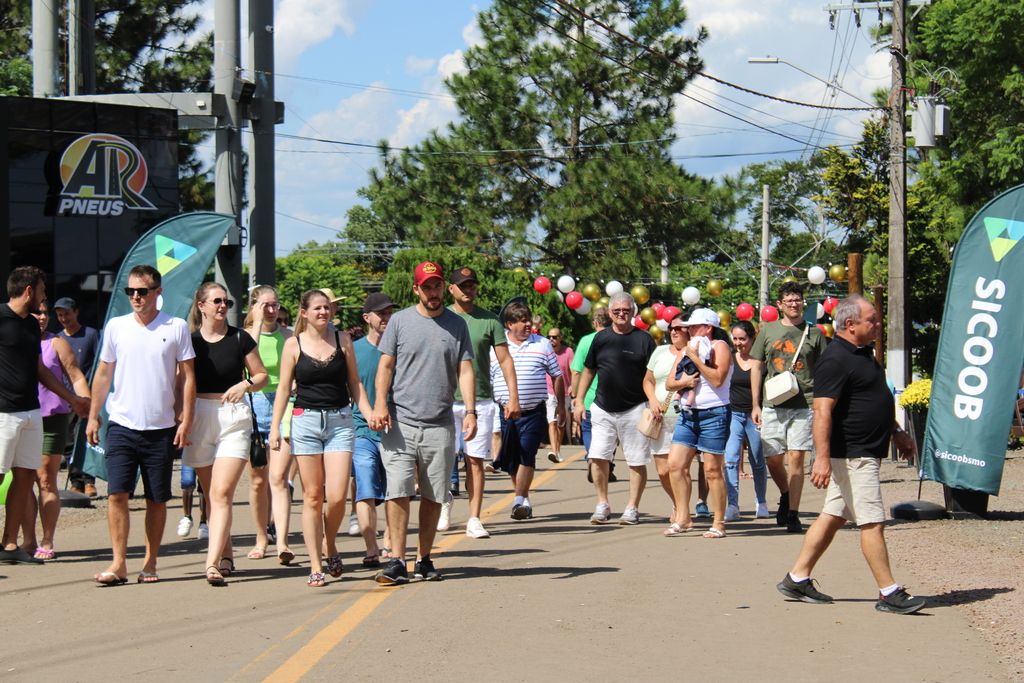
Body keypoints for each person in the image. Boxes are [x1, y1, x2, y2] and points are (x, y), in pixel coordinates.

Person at [777, 295, 926, 614]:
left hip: (865, 451)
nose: (877, 324)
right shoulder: (835, 358)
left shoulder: (864, 354)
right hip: (853, 454)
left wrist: (897, 432)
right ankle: (889, 593)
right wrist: (821, 457)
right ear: (850, 324)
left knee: (832, 516)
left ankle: (796, 578)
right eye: (871, 319)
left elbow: (877, 398)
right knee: (873, 521)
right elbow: (822, 411)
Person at [87, 264, 195, 584]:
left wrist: (186, 418)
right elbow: (104, 373)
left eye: (142, 291)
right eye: (130, 291)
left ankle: (150, 562)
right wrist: (94, 416)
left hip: (161, 428)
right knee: (117, 494)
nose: (136, 296)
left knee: (156, 498)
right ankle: (118, 563)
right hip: (121, 424)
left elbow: (188, 377)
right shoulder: (116, 327)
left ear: (157, 292)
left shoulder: (175, 327)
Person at [369, 262, 475, 584]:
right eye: (426, 287)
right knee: (398, 491)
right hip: (401, 420)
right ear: (416, 289)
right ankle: (397, 561)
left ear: (444, 287)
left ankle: (423, 559)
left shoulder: (457, 325)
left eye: (438, 286)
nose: (433, 292)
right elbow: (385, 367)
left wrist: (470, 410)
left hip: (440, 422)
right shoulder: (400, 322)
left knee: (433, 495)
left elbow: (466, 370)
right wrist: (379, 404)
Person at [269, 289, 371, 587]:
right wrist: (275, 427)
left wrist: (369, 412)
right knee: (313, 496)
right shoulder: (292, 345)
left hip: (340, 421)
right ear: (304, 313)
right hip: (305, 422)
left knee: (337, 496)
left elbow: (354, 382)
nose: (323, 312)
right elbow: (283, 390)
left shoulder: (343, 340)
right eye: (317, 308)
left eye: (327, 308)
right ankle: (315, 564)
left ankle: (331, 544)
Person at [1, 267, 89, 566]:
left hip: (32, 413)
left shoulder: (29, 326)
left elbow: (40, 371)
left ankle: (10, 545)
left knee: (25, 478)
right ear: (28, 291)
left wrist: (73, 399)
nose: (43, 298)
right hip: (3, 414)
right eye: (41, 291)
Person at [183, 283, 269, 585]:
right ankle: (227, 554)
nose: (222, 305)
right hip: (199, 418)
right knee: (211, 495)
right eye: (216, 301)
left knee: (221, 494)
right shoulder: (188, 341)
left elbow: (261, 375)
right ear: (201, 305)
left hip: (233, 418)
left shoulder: (239, 338)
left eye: (226, 301)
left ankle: (211, 564)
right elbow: (177, 380)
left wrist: (245, 385)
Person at [441, 267, 519, 539]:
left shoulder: (490, 320)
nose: (467, 289)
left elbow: (505, 359)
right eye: (462, 285)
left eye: (472, 284)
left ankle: (474, 518)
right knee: (442, 459)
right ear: (450, 288)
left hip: (481, 401)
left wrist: (513, 396)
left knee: (475, 461)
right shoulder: (440, 317)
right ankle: (443, 502)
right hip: (445, 400)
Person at [750, 282, 828, 533]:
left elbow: (825, 370)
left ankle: (793, 513)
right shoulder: (768, 330)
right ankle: (786, 493)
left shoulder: (814, 333)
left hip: (804, 402)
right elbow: (757, 366)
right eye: (789, 300)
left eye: (798, 300)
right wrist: (755, 404)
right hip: (773, 402)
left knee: (796, 455)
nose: (795, 304)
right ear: (780, 305)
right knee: (772, 457)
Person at [573, 292, 656, 525]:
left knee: (636, 460)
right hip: (602, 408)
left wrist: (654, 402)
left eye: (626, 310)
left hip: (635, 408)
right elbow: (588, 370)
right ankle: (602, 503)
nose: (621, 314)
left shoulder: (645, 339)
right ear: (610, 313)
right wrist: (579, 402)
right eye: (617, 310)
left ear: (633, 312)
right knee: (598, 456)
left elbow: (653, 375)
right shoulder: (600, 339)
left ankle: (632, 507)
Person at [20, 300, 91, 559]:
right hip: (20, 417)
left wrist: (86, 403)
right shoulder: (14, 340)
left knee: (46, 479)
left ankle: (47, 541)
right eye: (34, 312)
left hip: (51, 420)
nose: (41, 317)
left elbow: (76, 376)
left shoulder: (56, 342)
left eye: (43, 313)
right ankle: (28, 540)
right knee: (23, 481)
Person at [491, 302, 563, 519]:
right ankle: (524, 499)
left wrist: (560, 404)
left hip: (534, 412)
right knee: (513, 460)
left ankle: (518, 500)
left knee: (527, 453)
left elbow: (556, 374)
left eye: (528, 319)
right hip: (506, 414)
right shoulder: (497, 345)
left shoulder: (542, 344)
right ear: (510, 324)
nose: (528, 324)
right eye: (522, 321)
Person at [666, 308, 733, 538]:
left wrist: (694, 358)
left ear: (708, 328)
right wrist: (683, 380)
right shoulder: (687, 349)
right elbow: (669, 383)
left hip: (714, 413)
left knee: (713, 469)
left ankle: (719, 522)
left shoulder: (720, 347)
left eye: (694, 326)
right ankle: (683, 518)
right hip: (688, 414)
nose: (690, 330)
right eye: (689, 327)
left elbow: (717, 379)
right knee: (675, 464)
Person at [242, 285, 295, 563]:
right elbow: (246, 354)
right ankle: (261, 537)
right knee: (257, 481)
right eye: (265, 305)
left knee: (279, 478)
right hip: (254, 404)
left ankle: (282, 542)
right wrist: (257, 321)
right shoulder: (247, 335)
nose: (272, 311)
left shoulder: (288, 335)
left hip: (283, 406)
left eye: (275, 305)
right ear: (254, 307)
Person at [350, 293, 395, 565]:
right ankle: (371, 548)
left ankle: (390, 542)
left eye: (390, 313)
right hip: (362, 430)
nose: (387, 318)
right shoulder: (353, 350)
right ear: (367, 318)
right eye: (382, 314)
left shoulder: (401, 347)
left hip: (395, 430)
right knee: (365, 486)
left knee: (395, 490)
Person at [642, 312, 691, 535]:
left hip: (684, 416)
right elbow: (648, 380)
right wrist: (652, 400)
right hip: (660, 417)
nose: (673, 331)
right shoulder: (660, 351)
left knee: (679, 468)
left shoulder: (695, 352)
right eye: (671, 328)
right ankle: (678, 504)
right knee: (663, 471)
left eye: (679, 328)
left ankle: (684, 514)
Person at [54, 297, 100, 497]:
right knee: (69, 441)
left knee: (88, 439)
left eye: (67, 313)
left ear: (76, 312)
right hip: (66, 397)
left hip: (87, 396)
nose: (64, 318)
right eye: (60, 315)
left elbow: (100, 364)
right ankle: (76, 481)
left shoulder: (90, 334)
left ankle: (89, 481)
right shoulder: (57, 339)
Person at [724, 320, 769, 521]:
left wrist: (760, 409)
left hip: (755, 415)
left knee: (758, 460)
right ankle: (733, 505)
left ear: (752, 339)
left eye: (743, 339)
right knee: (731, 458)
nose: (738, 343)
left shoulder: (760, 361)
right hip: (733, 414)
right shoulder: (730, 359)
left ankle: (761, 501)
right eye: (735, 338)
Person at [569, 307, 616, 483]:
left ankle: (592, 458)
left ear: (595, 323)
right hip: (612, 398)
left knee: (588, 430)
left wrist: (575, 397)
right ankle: (607, 465)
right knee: (611, 433)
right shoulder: (616, 339)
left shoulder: (586, 341)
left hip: (589, 399)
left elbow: (575, 371)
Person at [544, 328, 573, 463]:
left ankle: (558, 450)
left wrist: (573, 385)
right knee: (552, 421)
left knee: (561, 422)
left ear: (560, 338)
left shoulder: (568, 352)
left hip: (565, 391)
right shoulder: (546, 352)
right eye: (549, 337)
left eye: (554, 337)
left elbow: (573, 370)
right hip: (549, 391)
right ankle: (554, 451)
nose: (551, 340)